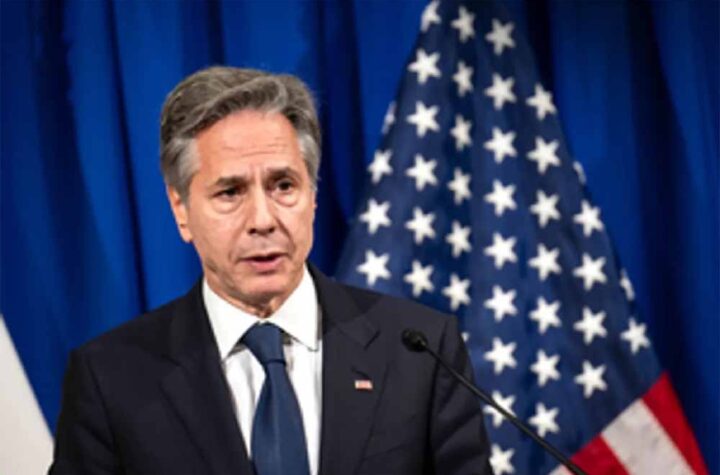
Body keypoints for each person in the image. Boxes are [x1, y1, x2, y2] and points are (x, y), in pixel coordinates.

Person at [49, 66, 492, 475]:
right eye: (230, 192)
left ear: (312, 196)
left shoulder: (419, 352)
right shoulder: (112, 378)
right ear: (180, 208)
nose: (263, 220)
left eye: (283, 185)